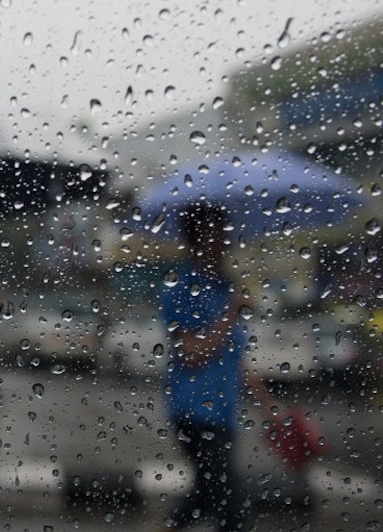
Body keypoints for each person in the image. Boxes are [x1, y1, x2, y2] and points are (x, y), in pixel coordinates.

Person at [158, 204, 249, 531]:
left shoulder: (226, 288)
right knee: (232, 508)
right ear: (196, 241)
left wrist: (271, 405)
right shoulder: (182, 287)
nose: (221, 243)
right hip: (194, 411)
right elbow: (192, 354)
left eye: (224, 235)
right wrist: (230, 314)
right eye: (211, 236)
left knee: (204, 496)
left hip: (223, 413)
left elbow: (235, 358)